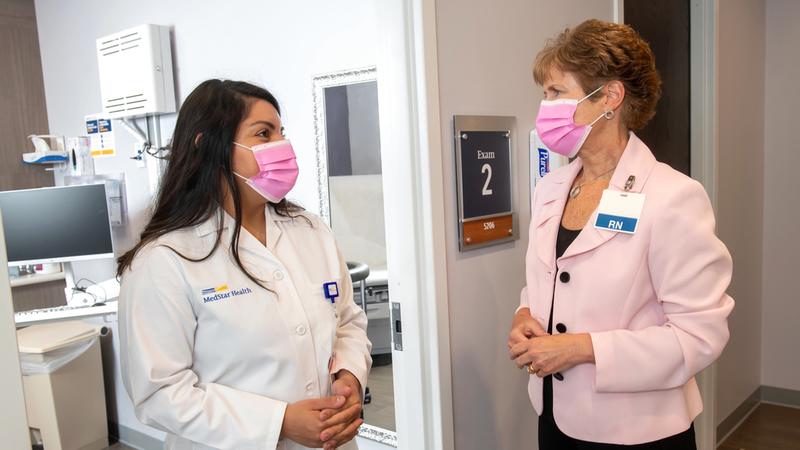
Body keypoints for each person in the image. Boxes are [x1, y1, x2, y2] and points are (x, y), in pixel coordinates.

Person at [508, 19, 734, 449]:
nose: (545, 107)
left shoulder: (673, 197)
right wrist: (525, 315)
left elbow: (699, 335)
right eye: (544, 94)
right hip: (555, 417)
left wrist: (583, 348)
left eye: (556, 92)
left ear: (609, 97)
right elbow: (551, 280)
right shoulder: (551, 188)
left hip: (639, 431)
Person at [117, 79, 372, 450]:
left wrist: (349, 375)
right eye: (263, 133)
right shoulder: (164, 261)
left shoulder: (310, 231)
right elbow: (159, 394)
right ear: (209, 147)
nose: (281, 146)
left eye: (281, 132)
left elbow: (347, 320)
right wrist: (280, 422)